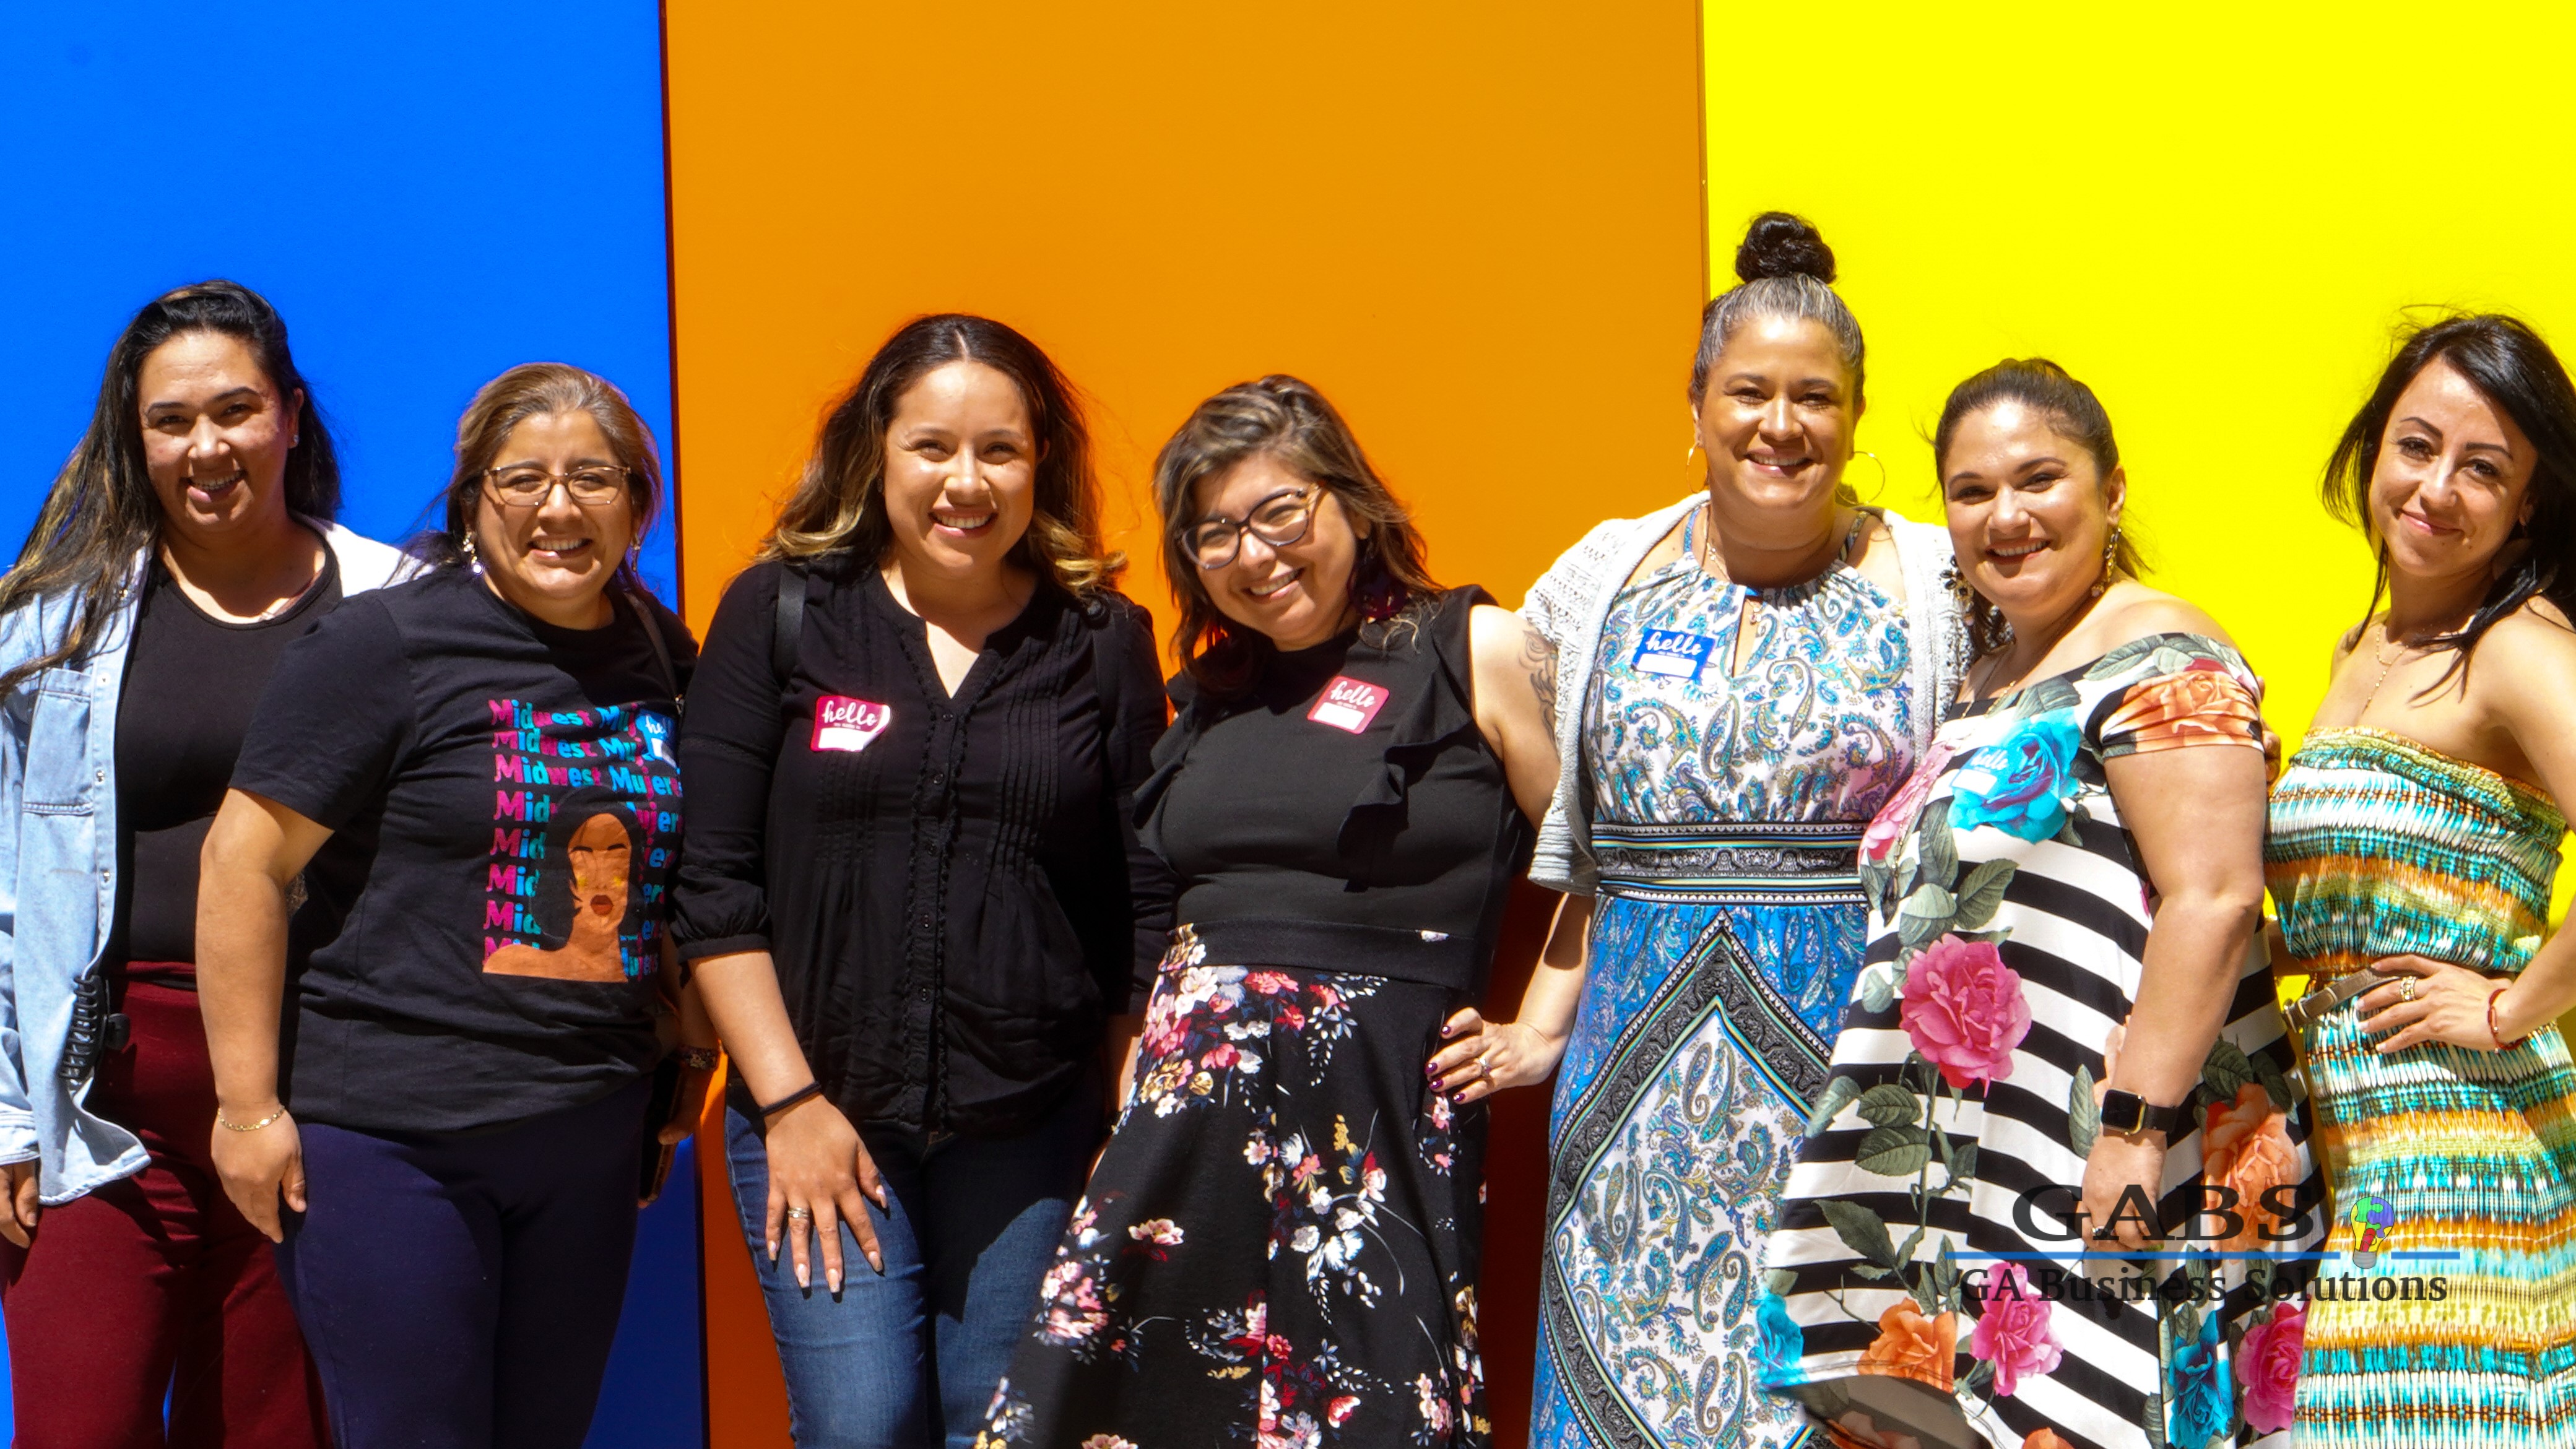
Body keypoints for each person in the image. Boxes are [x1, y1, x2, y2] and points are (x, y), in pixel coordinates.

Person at [1429, 212, 1966, 1449]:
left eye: (1814, 398)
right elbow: (1588, 840)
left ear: (1854, 413)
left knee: (1841, 1389)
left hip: (1856, 1073)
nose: (1780, 425)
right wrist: (1536, 1027)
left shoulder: (1933, 581)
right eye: (1749, 393)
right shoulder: (1602, 573)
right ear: (1696, 402)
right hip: (1628, 1087)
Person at [976, 373, 1558, 1449]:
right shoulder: (1208, 691)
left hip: (1375, 1106)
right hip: (1182, 1121)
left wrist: (1543, 1026)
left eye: (1280, 511)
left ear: (1349, 500)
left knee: (1378, 1407)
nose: (1255, 554)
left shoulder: (1467, 645)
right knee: (1141, 1414)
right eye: (1214, 534)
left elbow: (1596, 847)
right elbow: (1161, 895)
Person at [1761, 359, 2320, 1449]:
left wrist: (2129, 1136)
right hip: (1981, 1169)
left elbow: (2213, 897)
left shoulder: (2160, 651)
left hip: (2117, 1153)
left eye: (2037, 479)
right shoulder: (1993, 674)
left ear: (2110, 492)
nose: (2004, 516)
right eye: (1970, 492)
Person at [672, 314, 1173, 1449]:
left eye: (999, 449)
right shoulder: (784, 612)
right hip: (819, 1107)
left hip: (1029, 1124)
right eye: (932, 446)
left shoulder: (1100, 639)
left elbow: (1140, 902)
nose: (966, 481)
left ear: (1041, 463)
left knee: (1000, 1428)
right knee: (862, 1426)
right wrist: (791, 1106)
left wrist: (1124, 1120)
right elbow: (712, 881)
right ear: (874, 453)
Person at [196, 362, 713, 1449]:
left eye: (593, 478)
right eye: (522, 478)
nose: (558, 508)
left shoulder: (663, 655)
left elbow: (678, 879)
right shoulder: (383, 646)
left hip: (585, 1131)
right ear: (473, 498)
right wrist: (246, 1109)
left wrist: (682, 1054)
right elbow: (242, 863)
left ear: (638, 501)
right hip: (391, 1139)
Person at [0, 280, 411, 1447]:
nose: (206, 445)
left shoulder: (398, 609)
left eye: (235, 410)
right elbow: (4, 883)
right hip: (100, 1117)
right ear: (134, 442)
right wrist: (6, 1126)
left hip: (324, 1107)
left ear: (289, 414)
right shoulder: (56, 630)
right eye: (170, 420)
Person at [2265, 314, 2576, 1449]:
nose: (2435, 487)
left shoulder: (2513, 645)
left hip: (2459, 1138)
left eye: (2482, 467)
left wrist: (2506, 1006)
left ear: (2529, 502)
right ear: (2372, 450)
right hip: (2352, 1136)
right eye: (2416, 445)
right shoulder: (2364, 648)